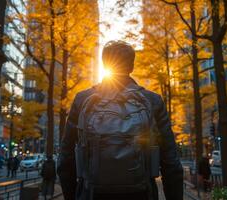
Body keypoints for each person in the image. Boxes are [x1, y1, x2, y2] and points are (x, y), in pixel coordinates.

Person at [58, 41, 183, 200]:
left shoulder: (83, 100)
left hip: (91, 195)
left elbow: (65, 160)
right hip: (141, 194)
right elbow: (171, 163)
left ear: (104, 64)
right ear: (132, 66)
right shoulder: (152, 101)